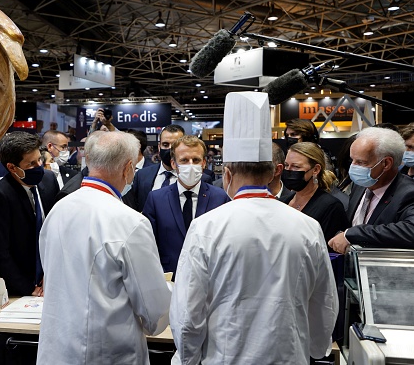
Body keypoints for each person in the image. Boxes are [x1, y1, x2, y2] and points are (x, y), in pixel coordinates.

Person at [170, 92, 338, 364]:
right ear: (274, 172)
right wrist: (317, 347)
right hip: (289, 355)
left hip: (224, 356)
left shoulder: (207, 226)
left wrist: (187, 358)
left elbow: (188, 312)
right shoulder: (307, 226)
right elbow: (324, 302)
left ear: (227, 174)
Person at [37, 131, 171, 364]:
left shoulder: (58, 210)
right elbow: (154, 313)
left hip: (57, 347)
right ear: (128, 167)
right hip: (107, 352)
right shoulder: (129, 222)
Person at [0, 131, 59, 296]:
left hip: (52, 279)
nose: (39, 166)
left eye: (39, 159)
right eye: (31, 164)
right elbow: (0, 252)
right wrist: (28, 288)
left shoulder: (49, 180)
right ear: (12, 167)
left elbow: (58, 232)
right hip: (21, 287)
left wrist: (52, 274)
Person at [143, 135, 229, 274]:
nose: (190, 165)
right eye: (184, 160)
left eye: (196, 160)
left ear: (204, 163)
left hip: (209, 280)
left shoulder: (220, 198)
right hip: (170, 279)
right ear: (173, 164)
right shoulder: (156, 199)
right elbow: (149, 246)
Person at [328, 127, 414, 253]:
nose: (353, 167)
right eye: (353, 160)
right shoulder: (360, 184)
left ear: (386, 163)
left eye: (361, 162)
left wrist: (352, 234)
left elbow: (410, 230)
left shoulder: (408, 192)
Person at [128, 125, 211, 212]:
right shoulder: (142, 175)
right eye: (165, 144)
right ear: (159, 147)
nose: (169, 149)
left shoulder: (202, 178)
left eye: (174, 145)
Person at [281, 142, 350, 246]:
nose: (289, 171)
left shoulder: (330, 207)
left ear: (316, 170)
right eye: (286, 165)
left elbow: (331, 250)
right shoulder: (282, 202)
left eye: (296, 167)